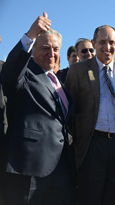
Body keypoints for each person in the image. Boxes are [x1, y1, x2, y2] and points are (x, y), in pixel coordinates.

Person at [0, 12, 74, 205]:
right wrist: (31, 35)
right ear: (32, 50)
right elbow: (9, 74)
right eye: (45, 48)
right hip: (28, 167)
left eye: (56, 49)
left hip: (60, 167)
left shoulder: (58, 81)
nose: (52, 53)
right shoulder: (25, 74)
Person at [65, 25, 115, 205]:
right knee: (90, 197)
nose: (107, 47)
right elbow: (69, 112)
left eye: (111, 42)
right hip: (92, 146)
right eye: (102, 42)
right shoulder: (78, 71)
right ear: (94, 44)